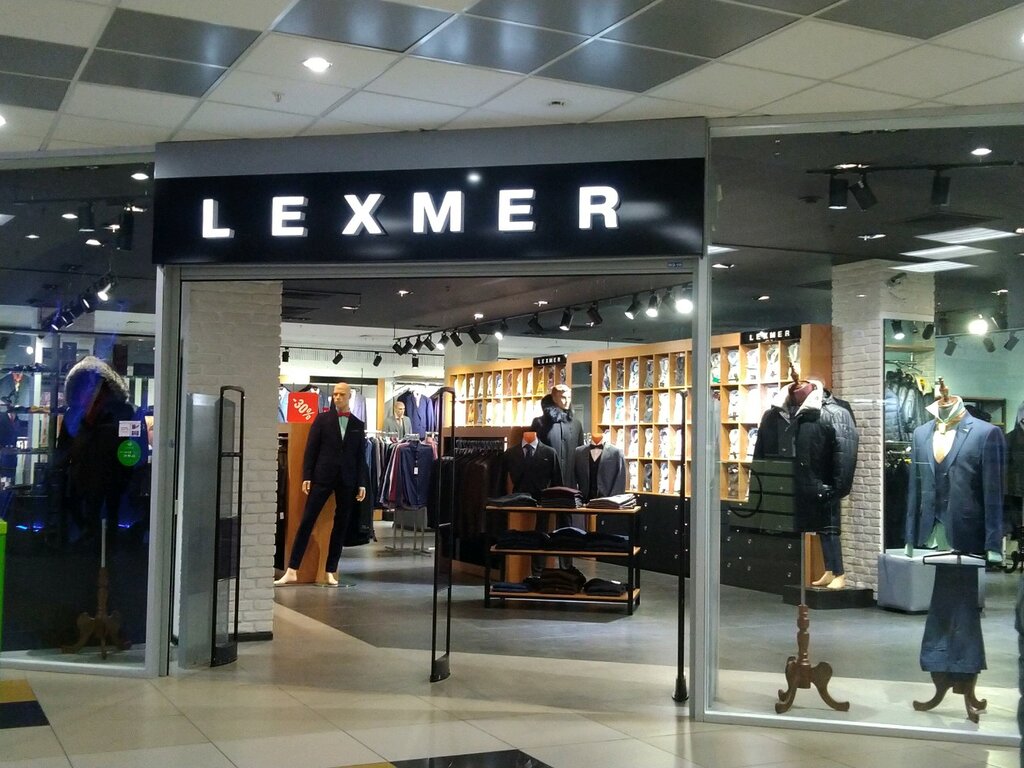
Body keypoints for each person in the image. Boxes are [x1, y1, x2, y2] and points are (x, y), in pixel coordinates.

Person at [275, 382, 368, 586]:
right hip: (322, 476)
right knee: (307, 520)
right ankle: (292, 569)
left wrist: (362, 482)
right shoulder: (322, 419)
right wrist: (307, 476)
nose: (337, 398)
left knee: (341, 525)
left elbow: (360, 456)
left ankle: (330, 570)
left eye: (341, 394)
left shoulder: (357, 424)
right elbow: (311, 449)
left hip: (347, 479)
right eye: (335, 394)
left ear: (349, 396)